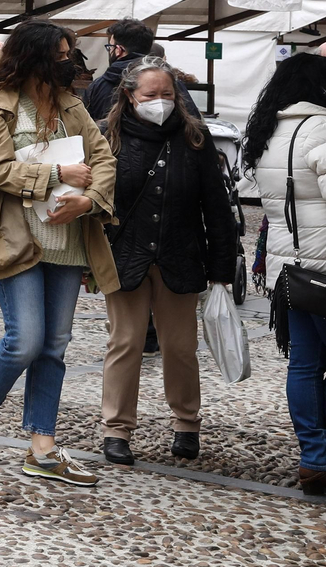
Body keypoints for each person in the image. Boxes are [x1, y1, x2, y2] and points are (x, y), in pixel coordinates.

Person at [0, 20, 117, 487]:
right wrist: (58, 173)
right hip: (17, 238)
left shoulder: (73, 105)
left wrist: (89, 200)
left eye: (69, 53)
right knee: (25, 339)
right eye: (60, 53)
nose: (67, 61)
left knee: (54, 345)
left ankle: (42, 447)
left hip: (68, 242)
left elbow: (104, 158)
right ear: (33, 55)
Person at [96, 55, 235, 466]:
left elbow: (216, 206)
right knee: (126, 342)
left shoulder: (194, 137)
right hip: (126, 255)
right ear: (130, 94)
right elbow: (97, 202)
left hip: (181, 255)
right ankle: (116, 428)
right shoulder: (108, 136)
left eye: (168, 94)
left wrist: (222, 271)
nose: (161, 101)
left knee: (180, 346)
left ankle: (186, 422)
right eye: (151, 94)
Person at [242, 52, 326, 498]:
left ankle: (320, 458)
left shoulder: (270, 128)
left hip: (288, 269)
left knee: (306, 365)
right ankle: (323, 457)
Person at [83, 19, 154, 122]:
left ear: (118, 50)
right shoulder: (168, 81)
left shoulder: (97, 86)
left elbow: (86, 125)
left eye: (110, 47)